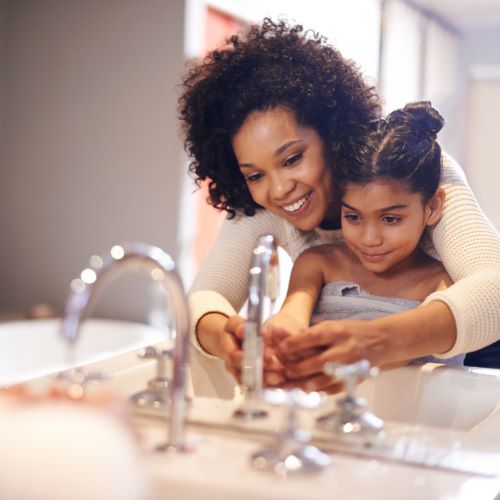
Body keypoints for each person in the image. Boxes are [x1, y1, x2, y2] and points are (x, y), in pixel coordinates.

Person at [179, 19, 500, 396]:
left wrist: (377, 342)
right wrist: (228, 340)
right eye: (254, 175)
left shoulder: (415, 173)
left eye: (293, 158)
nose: (280, 189)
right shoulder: (263, 203)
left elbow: (494, 286)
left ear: (331, 134)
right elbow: (203, 298)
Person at [263, 101, 464, 390]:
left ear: (432, 206)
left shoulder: (443, 283)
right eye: (353, 216)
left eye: (391, 218)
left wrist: (354, 352)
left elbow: (416, 353)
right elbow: (292, 314)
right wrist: (280, 336)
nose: (370, 238)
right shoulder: (318, 263)